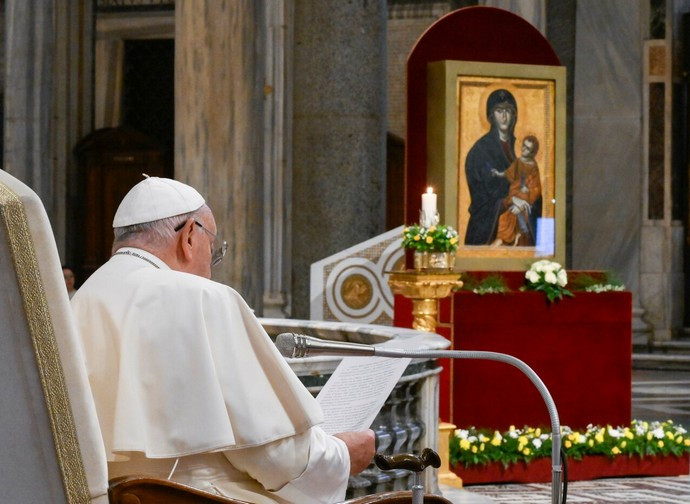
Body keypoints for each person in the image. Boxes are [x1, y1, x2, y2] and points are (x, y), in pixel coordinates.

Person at [71, 176, 375, 504]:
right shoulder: (204, 298)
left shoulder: (80, 300)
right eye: (213, 251)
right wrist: (342, 455)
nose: (211, 270)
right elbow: (276, 458)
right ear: (189, 236)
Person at [464, 88, 517, 245]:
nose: (504, 116)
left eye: (508, 110)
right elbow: (480, 197)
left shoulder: (519, 147)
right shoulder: (480, 150)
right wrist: (506, 201)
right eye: (499, 111)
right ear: (491, 115)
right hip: (487, 227)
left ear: (514, 115)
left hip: (517, 221)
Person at [490, 135, 543, 247]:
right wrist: (498, 174)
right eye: (524, 146)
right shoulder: (518, 162)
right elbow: (509, 172)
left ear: (532, 152)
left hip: (525, 196)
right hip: (515, 193)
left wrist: (527, 191)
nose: (524, 149)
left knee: (511, 215)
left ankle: (516, 234)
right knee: (504, 216)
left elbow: (536, 188)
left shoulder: (533, 167)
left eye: (528, 148)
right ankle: (512, 236)